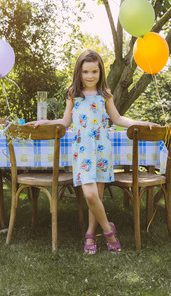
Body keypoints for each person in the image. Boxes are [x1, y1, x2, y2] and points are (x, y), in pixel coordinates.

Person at [25, 49, 159, 254]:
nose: (89, 76)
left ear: (100, 72)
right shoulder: (73, 94)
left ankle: (90, 234)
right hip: (82, 149)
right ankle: (109, 232)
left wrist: (141, 122)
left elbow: (119, 119)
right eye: (85, 71)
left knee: (97, 194)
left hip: (102, 148)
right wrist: (45, 122)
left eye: (94, 72)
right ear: (78, 72)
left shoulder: (105, 94)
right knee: (89, 194)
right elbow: (65, 121)